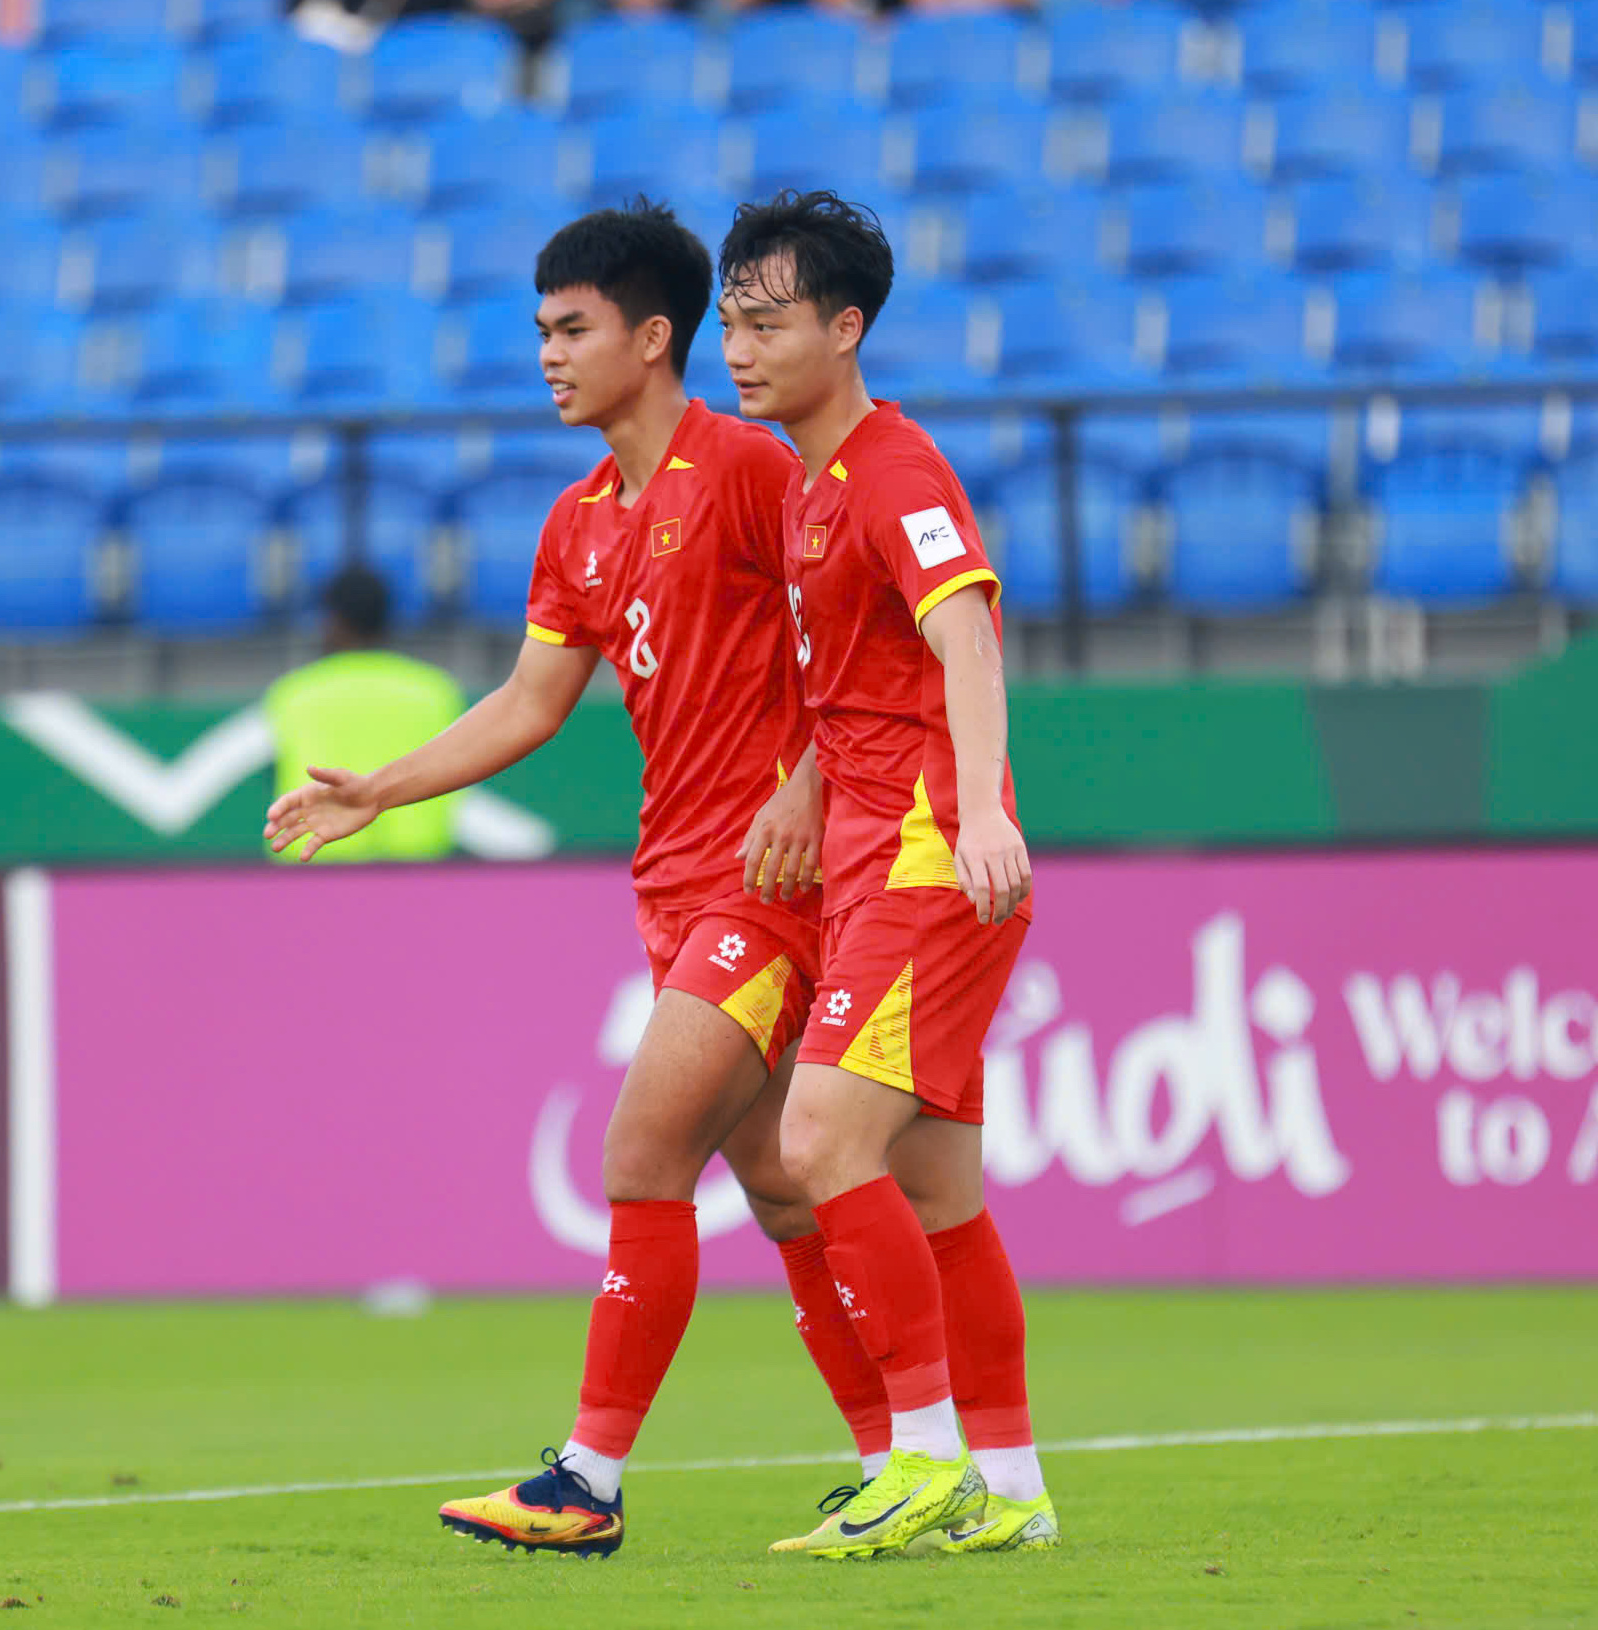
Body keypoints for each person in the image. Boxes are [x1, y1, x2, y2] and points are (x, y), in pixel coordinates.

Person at [265, 201, 834, 1557]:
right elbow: (529, 701)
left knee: (639, 1152)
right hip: (672, 884)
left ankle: (586, 1481)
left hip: (765, 881)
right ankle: (909, 1459)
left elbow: (857, 636)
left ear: (653, 338)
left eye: (573, 329)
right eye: (540, 331)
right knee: (780, 1182)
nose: (548, 355)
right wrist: (378, 788)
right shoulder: (576, 521)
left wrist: (807, 789)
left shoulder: (746, 472)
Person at [717, 189, 1057, 1557]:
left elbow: (964, 630)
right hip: (867, 849)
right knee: (938, 1195)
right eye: (730, 323)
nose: (739, 350)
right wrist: (804, 783)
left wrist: (976, 810)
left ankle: (919, 1454)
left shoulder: (894, 470)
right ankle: (1012, 1485)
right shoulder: (813, 481)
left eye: (768, 323)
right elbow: (867, 677)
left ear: (845, 328)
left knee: (813, 1143)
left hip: (924, 857)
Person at [262, 564, 465, 864]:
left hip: (315, 860)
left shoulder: (293, 693)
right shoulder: (436, 691)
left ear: (332, 619)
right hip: (419, 862)